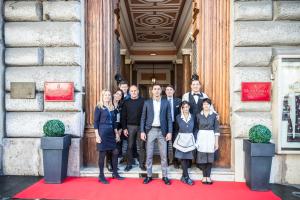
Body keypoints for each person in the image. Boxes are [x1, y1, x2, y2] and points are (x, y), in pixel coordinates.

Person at [140, 84, 173, 185]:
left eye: (159, 89)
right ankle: (149, 176)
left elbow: (169, 118)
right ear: (152, 91)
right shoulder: (147, 103)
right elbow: (143, 118)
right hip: (150, 131)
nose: (157, 91)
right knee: (149, 154)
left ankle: (165, 176)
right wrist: (142, 131)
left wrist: (170, 132)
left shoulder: (166, 103)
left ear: (161, 91)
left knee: (163, 155)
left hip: (162, 131)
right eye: (155, 89)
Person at [94, 89, 124, 184]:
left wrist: (116, 134)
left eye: (109, 95)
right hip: (102, 132)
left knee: (115, 151)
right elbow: (95, 122)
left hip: (111, 133)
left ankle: (115, 173)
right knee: (102, 154)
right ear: (102, 96)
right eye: (105, 95)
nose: (107, 96)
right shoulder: (99, 107)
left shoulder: (112, 107)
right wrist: (97, 136)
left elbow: (114, 123)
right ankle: (101, 175)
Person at [195, 98, 220, 184]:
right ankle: (204, 176)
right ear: (202, 106)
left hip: (210, 137)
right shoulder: (198, 115)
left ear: (210, 105)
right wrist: (196, 140)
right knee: (202, 156)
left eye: (207, 104)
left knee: (210, 156)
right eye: (204, 104)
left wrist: (216, 142)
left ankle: (208, 177)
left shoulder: (214, 115)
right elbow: (196, 128)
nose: (206, 105)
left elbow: (216, 129)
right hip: (201, 137)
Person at [122, 85, 146, 171]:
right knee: (130, 146)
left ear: (138, 91)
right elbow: (123, 116)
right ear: (129, 92)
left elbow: (146, 115)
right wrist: (124, 128)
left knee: (141, 146)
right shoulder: (126, 102)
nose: (133, 92)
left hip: (141, 127)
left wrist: (145, 128)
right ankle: (129, 164)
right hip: (129, 127)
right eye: (132, 91)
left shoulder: (143, 101)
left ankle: (142, 164)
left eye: (135, 90)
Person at [173, 101, 197, 185]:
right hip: (181, 139)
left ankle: (183, 177)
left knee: (187, 158)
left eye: (187, 107)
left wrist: (195, 138)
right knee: (183, 158)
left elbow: (195, 129)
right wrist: (176, 140)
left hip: (190, 139)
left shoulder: (193, 117)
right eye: (184, 107)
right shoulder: (178, 117)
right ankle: (187, 177)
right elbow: (176, 129)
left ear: (189, 107)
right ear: (181, 108)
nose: (186, 109)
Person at [106, 89, 124, 172]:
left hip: (119, 127)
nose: (118, 96)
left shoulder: (121, 106)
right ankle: (109, 164)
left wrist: (120, 130)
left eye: (120, 95)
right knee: (110, 147)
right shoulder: (109, 104)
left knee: (117, 147)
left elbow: (123, 119)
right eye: (117, 94)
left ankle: (115, 164)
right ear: (114, 94)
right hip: (110, 127)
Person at [164, 85, 181, 168]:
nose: (169, 91)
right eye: (167, 90)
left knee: (175, 144)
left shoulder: (178, 101)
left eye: (171, 90)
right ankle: (166, 160)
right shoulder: (162, 101)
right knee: (165, 144)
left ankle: (175, 161)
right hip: (165, 125)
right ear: (165, 91)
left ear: (173, 91)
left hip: (175, 125)